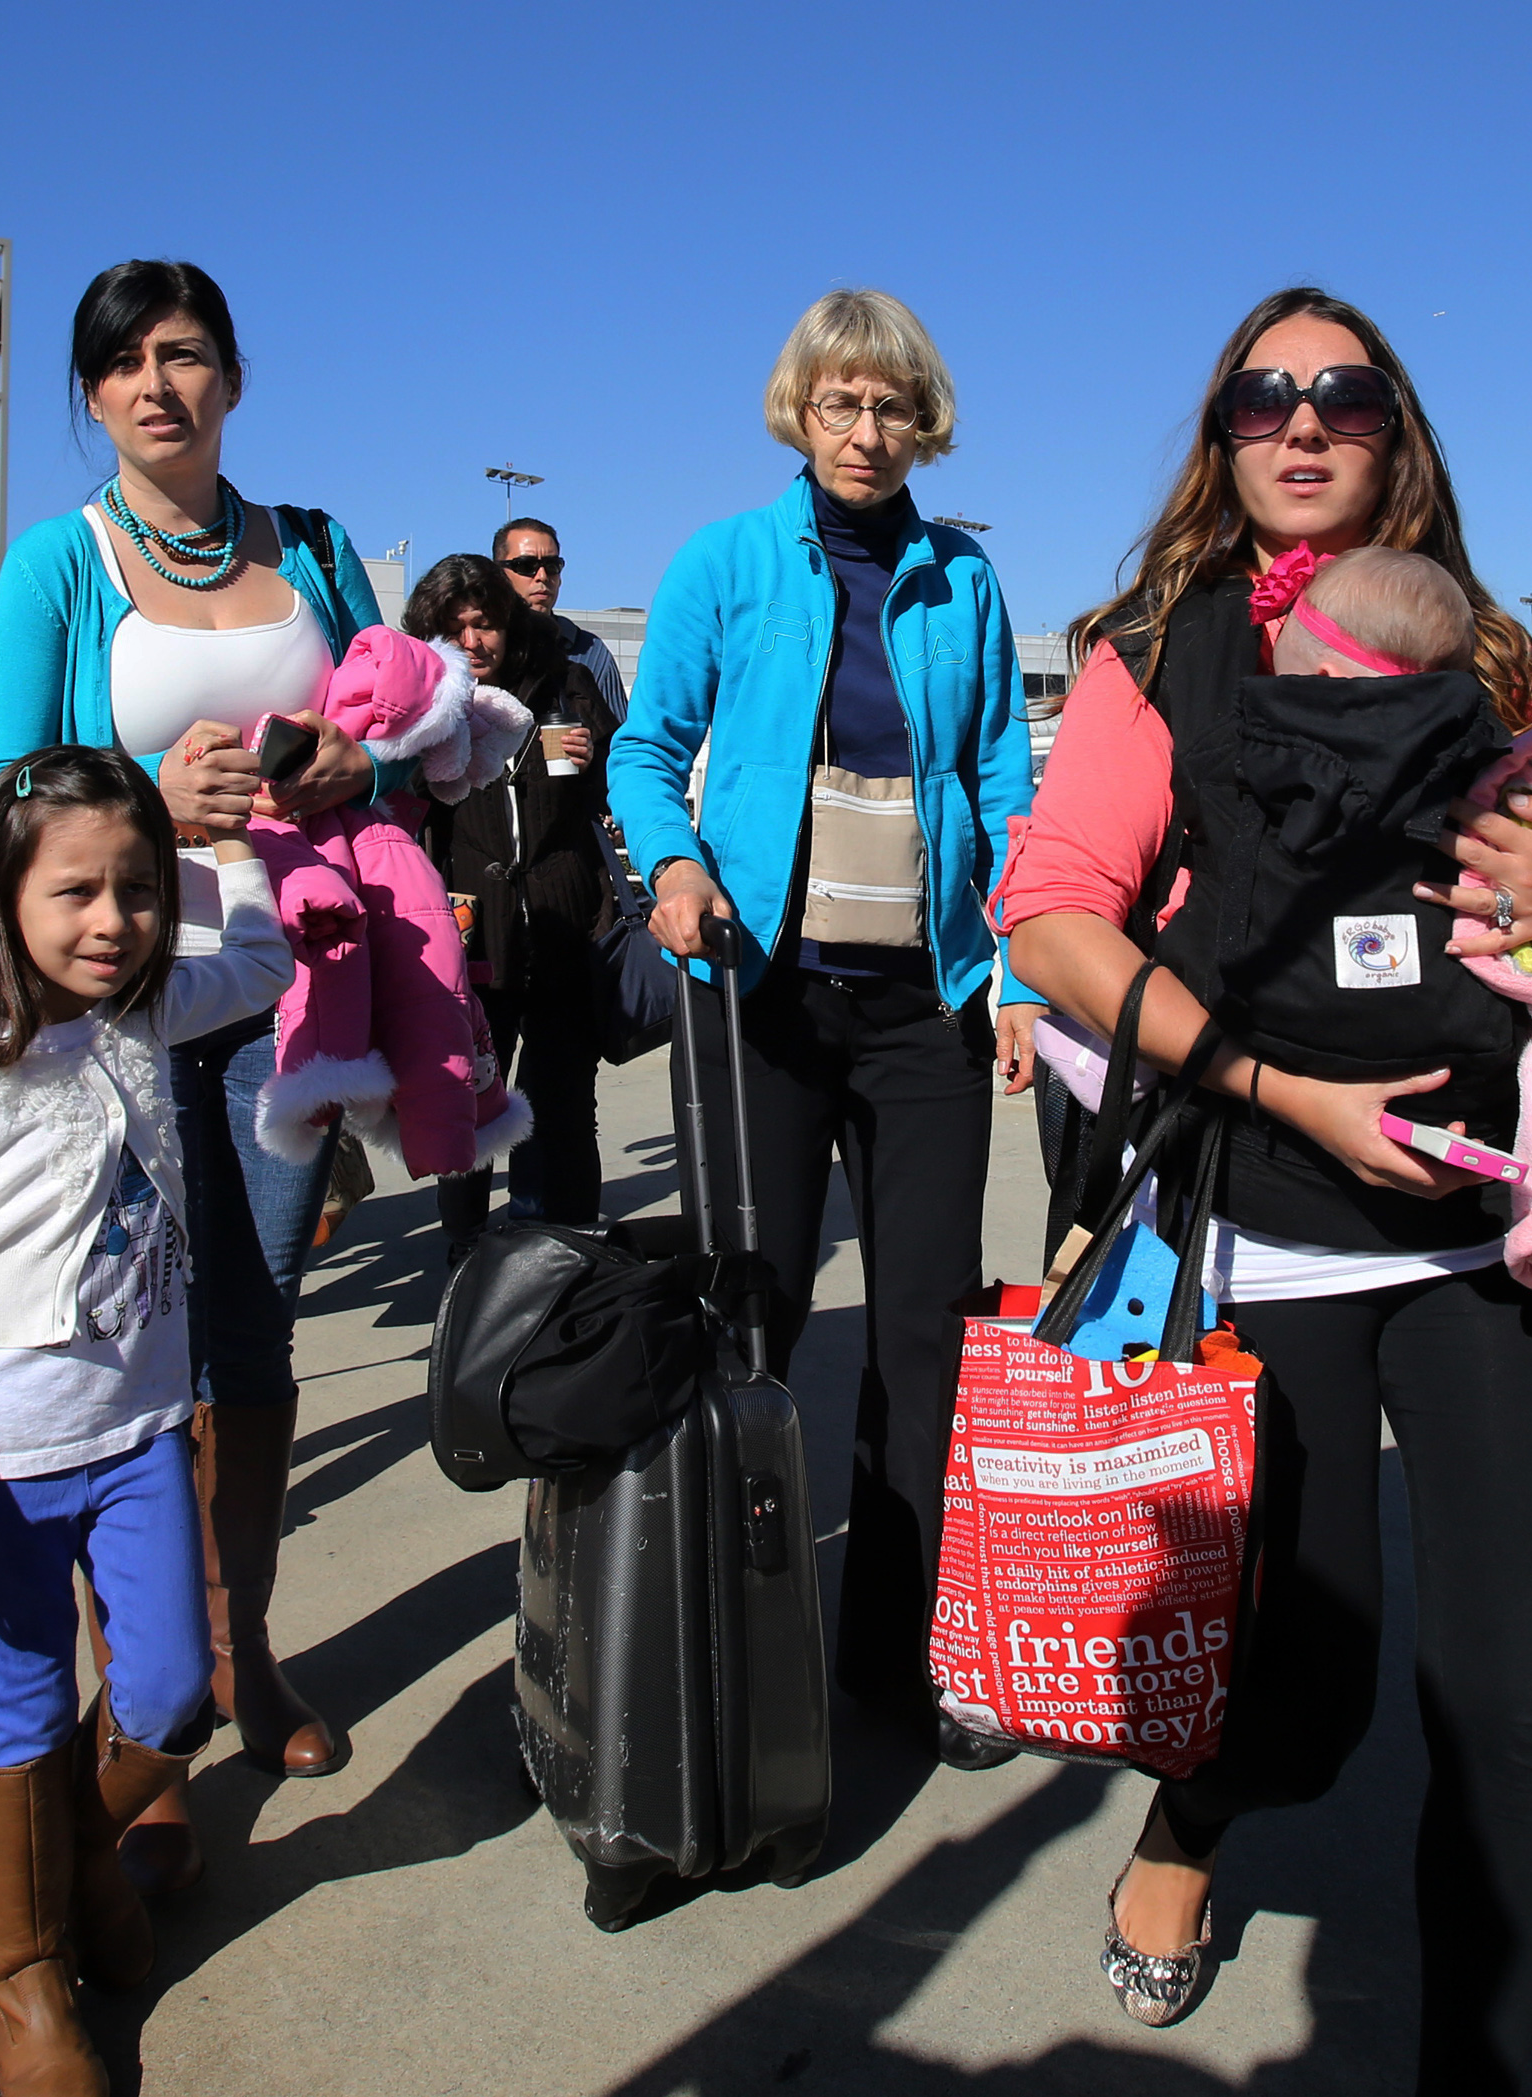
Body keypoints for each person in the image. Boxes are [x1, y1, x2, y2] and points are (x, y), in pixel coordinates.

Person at [995, 286, 1532, 2086]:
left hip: (1498, 1233)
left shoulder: (1494, 656)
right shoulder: (1153, 648)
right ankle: (1191, 1825)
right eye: (1263, 397)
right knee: (1302, 1685)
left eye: (1343, 393)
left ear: (1396, 430)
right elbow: (1051, 917)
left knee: (1513, 1698)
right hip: (1267, 1218)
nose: (1304, 422)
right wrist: (1285, 1091)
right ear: (1223, 434)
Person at [0, 257, 393, 1876]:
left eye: (188, 353)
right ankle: (145, 1729)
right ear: (92, 396)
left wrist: (360, 758)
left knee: (257, 1331)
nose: (159, 385)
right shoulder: (58, 564)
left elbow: (401, 723)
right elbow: (0, 797)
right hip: (122, 1008)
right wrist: (145, 790)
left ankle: (244, 1650)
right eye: (125, 363)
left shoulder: (317, 548)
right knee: (135, 1340)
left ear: (233, 377)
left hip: (295, 990)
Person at [608, 288, 1046, 1758]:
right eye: (841, 403)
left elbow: (1005, 783)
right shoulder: (726, 561)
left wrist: (1017, 979)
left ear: (926, 423)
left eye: (892, 406)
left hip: (928, 1006)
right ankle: (732, 1632)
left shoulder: (963, 578)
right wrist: (674, 865)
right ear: (800, 411)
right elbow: (647, 750)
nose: (867, 431)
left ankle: (905, 1649)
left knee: (926, 1332)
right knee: (758, 1315)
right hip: (764, 1000)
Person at [0, 745, 291, 2097]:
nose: (115, 921)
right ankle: (26, 1978)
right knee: (29, 1701)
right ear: (4, 896)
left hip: (140, 1434)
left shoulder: (144, 1018)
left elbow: (261, 965)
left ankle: (74, 1857)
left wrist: (237, 844)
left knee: (168, 1691)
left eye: (140, 890)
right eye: (78, 892)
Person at [407, 554, 613, 1255]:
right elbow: (401, 806)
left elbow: (619, 784)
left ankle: (566, 1244)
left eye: (485, 624)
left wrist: (594, 755)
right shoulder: (428, 705)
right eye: (455, 628)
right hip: (470, 932)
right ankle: (466, 1248)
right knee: (468, 1096)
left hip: (564, 923)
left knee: (565, 1102)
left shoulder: (567, 683)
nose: (472, 642)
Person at [495, 517, 628, 725]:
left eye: (552, 565)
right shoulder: (476, 647)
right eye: (526, 565)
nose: (542, 576)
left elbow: (621, 736)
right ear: (498, 573)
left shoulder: (590, 651)